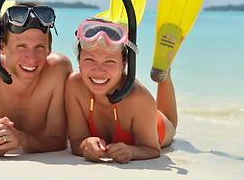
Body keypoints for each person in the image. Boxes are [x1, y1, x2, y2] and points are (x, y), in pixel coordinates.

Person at [0, 3, 72, 157]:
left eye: (40, 47)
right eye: (21, 46)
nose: (32, 58)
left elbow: (59, 141)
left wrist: (21, 139)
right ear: (1, 46)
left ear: (50, 48)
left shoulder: (59, 69)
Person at [65, 18, 177, 164]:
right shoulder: (74, 86)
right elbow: (76, 142)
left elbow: (153, 150)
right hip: (131, 102)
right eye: (90, 59)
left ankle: (164, 75)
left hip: (154, 125)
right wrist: (85, 145)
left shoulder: (139, 99)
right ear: (78, 61)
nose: (98, 70)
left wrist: (132, 151)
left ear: (124, 65)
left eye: (110, 61)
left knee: (170, 125)